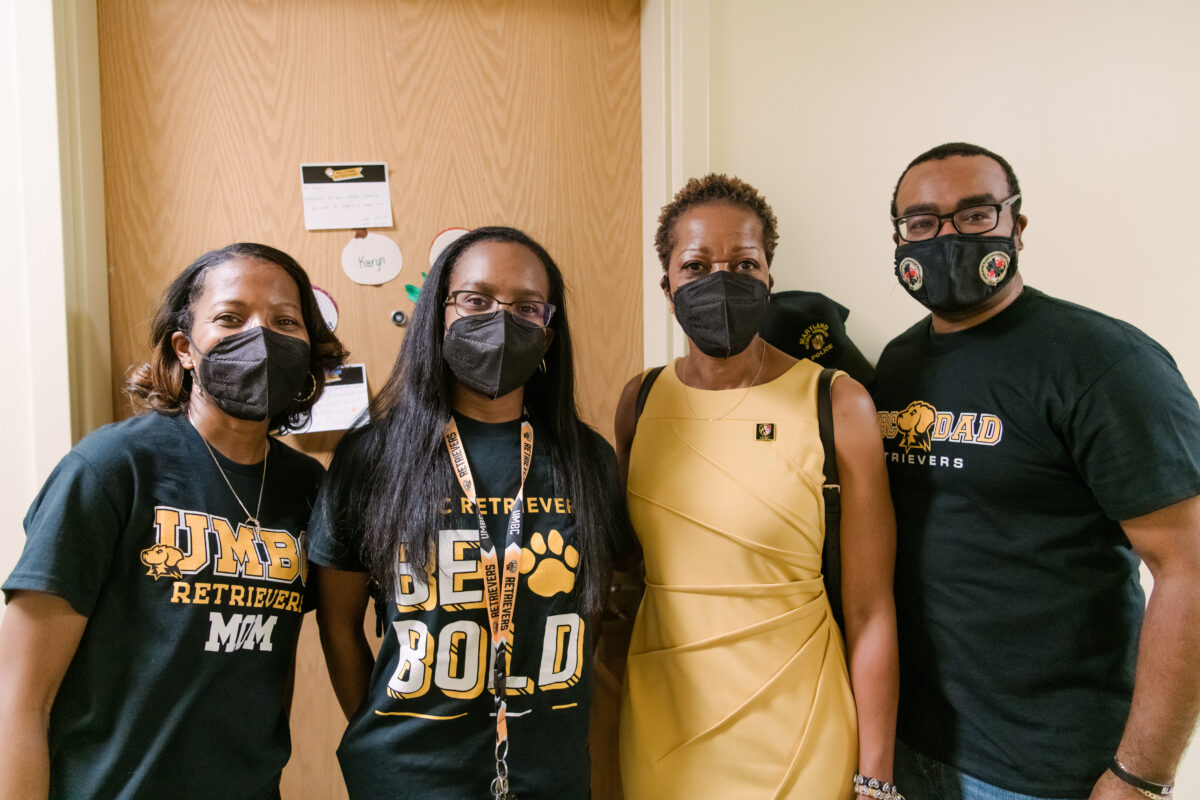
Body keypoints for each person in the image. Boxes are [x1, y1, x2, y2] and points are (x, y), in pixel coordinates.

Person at [872, 142, 1200, 800]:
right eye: (922, 222)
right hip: (910, 754)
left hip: (1050, 770)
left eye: (974, 216)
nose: (945, 238)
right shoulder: (900, 363)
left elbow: (1189, 567)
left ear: (1016, 226)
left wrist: (1141, 776)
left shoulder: (1102, 362)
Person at [0, 242, 348, 798]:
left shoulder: (307, 487)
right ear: (185, 348)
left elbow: (268, 663)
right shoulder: (112, 468)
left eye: (285, 321)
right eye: (230, 318)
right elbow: (19, 698)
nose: (260, 337)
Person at [310, 226, 632, 800]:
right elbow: (338, 622)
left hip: (548, 771)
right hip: (406, 771)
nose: (501, 320)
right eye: (476, 300)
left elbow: (594, 611)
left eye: (527, 307)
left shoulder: (589, 459)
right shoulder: (371, 456)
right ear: (439, 313)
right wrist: (372, 725)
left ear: (549, 333)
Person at [615, 174, 900, 799]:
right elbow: (629, 571)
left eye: (744, 263)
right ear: (667, 287)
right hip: (661, 719)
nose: (722, 280)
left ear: (769, 277)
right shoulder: (640, 401)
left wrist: (875, 779)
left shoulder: (835, 400)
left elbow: (871, 608)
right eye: (696, 265)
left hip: (798, 725)